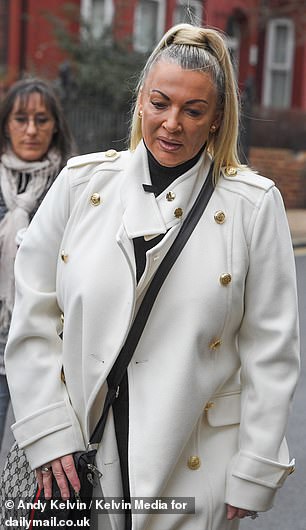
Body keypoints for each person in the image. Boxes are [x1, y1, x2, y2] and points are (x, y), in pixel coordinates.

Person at [4, 24, 300, 530]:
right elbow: (33, 318)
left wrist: (254, 465)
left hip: (193, 461)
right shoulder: (80, 184)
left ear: (216, 120)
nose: (172, 124)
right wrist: (48, 431)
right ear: (141, 101)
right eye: (160, 103)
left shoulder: (252, 206)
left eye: (193, 110)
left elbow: (270, 351)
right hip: (82, 459)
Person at [0, 77, 74, 449]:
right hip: (0, 340)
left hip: (52, 350)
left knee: (49, 462)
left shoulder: (74, 186)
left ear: (56, 126)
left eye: (42, 120)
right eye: (20, 119)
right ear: (6, 125)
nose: (31, 130)